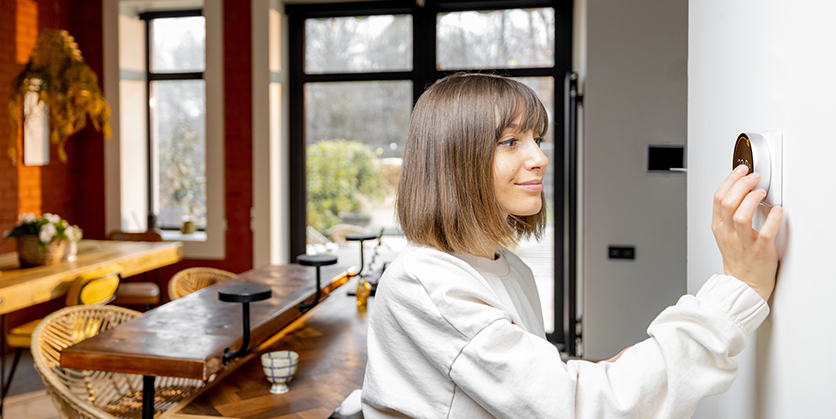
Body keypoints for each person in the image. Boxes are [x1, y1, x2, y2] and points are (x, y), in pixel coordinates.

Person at [361, 73, 783, 418]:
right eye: (511, 142)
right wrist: (737, 289)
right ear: (455, 160)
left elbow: (522, 388)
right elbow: (575, 410)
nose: (540, 158)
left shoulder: (509, 269)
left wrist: (589, 371)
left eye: (537, 139)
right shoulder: (425, 282)